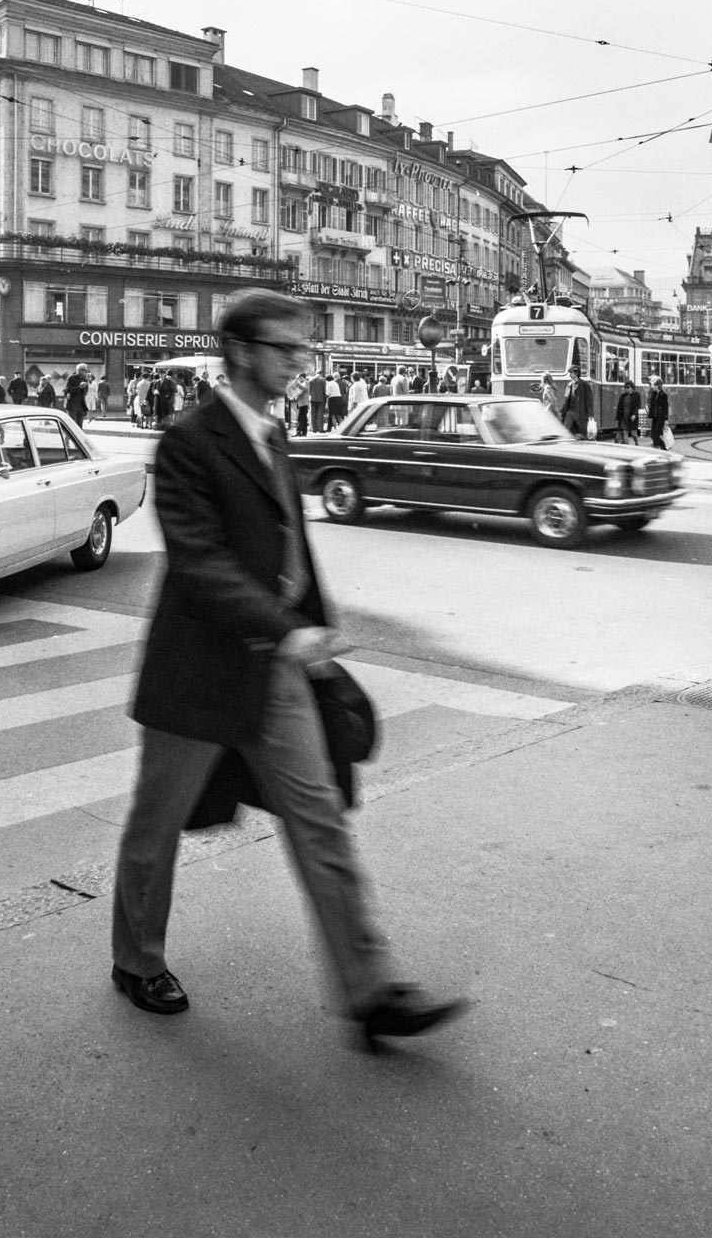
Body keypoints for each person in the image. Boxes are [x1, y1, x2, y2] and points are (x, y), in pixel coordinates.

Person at [111, 289, 467, 1045]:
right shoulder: (188, 441)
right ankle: (136, 960)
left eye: (303, 348)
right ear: (242, 352)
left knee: (321, 822)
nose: (300, 361)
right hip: (199, 670)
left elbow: (290, 549)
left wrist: (316, 631)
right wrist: (286, 630)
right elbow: (199, 561)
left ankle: (370, 992)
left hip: (278, 669)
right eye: (286, 348)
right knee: (157, 823)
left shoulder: (274, 435)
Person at [561, 365, 594, 439]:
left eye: (571, 373)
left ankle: (589, 442)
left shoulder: (584, 385)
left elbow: (589, 400)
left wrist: (590, 414)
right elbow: (566, 399)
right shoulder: (570, 385)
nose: (570, 375)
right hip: (570, 411)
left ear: (576, 373)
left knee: (585, 432)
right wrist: (563, 411)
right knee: (565, 430)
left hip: (580, 412)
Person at [614, 377, 642, 445]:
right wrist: (618, 417)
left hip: (632, 417)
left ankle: (636, 442)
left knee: (633, 433)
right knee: (625, 432)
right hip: (624, 417)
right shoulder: (623, 396)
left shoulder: (636, 395)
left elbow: (637, 406)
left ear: (632, 388)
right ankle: (627, 446)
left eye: (628, 387)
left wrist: (635, 415)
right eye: (625, 387)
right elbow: (620, 407)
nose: (626, 389)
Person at [647, 375, 670, 450]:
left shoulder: (664, 395)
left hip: (660, 417)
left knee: (656, 433)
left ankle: (660, 446)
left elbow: (665, 407)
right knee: (652, 434)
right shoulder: (653, 394)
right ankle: (660, 446)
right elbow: (652, 404)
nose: (652, 387)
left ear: (657, 386)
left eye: (653, 385)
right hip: (654, 416)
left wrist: (666, 419)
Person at [65, 364, 91, 428]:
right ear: (79, 370)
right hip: (72, 405)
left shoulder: (85, 379)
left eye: (86, 370)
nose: (86, 372)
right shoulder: (72, 378)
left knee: (79, 426)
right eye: (85, 370)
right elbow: (67, 390)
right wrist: (79, 387)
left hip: (81, 406)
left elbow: (84, 393)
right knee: (73, 425)